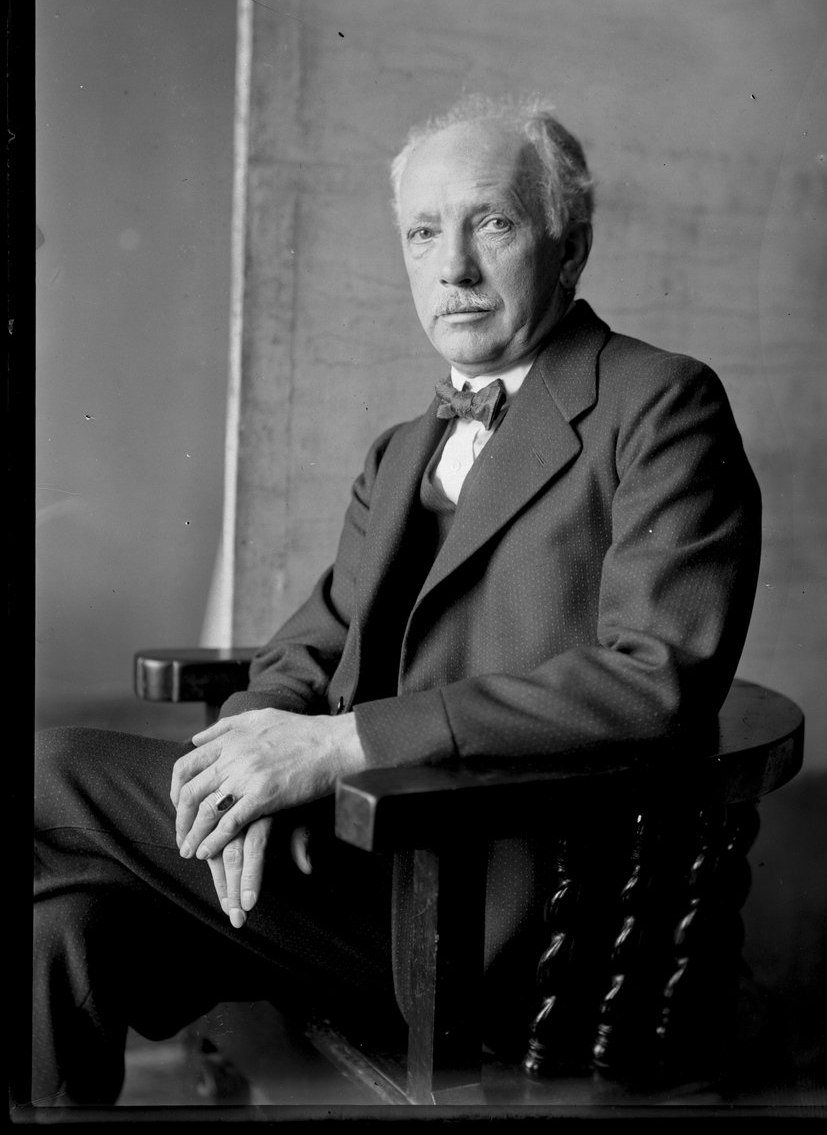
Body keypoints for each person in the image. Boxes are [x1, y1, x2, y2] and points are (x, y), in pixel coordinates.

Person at [29, 95, 761, 1108]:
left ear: (571, 247)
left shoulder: (660, 403)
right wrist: (246, 773)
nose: (453, 268)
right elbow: (308, 644)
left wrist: (339, 746)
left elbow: (655, 679)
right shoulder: (403, 447)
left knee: (50, 768)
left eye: (491, 223)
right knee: (60, 927)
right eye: (423, 233)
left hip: (500, 909)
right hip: (344, 865)